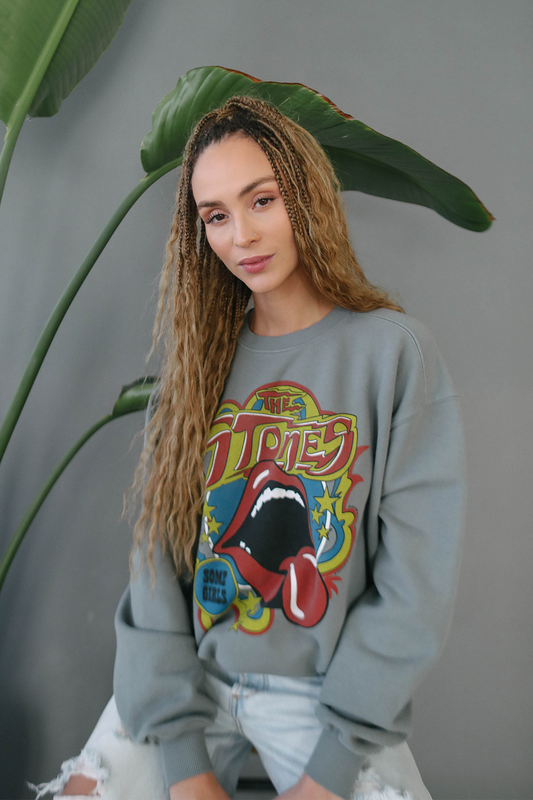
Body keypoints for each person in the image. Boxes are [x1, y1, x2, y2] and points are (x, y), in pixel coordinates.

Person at [34, 95, 465, 800]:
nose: (242, 236)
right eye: (216, 216)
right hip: (194, 681)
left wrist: (330, 769)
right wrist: (182, 762)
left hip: (322, 695)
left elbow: (415, 584)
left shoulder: (392, 353)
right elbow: (155, 565)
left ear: (306, 194)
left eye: (261, 200)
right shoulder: (200, 362)